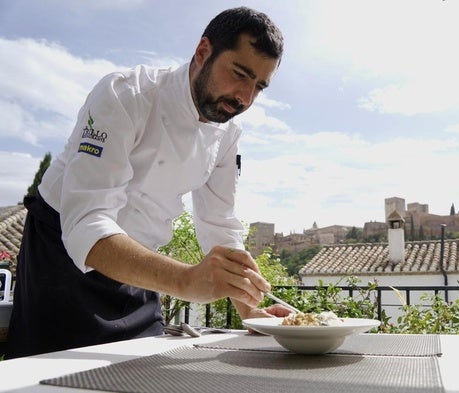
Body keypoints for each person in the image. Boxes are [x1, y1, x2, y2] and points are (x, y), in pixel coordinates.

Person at [6, 6, 289, 359]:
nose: (245, 98)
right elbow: (85, 224)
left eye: (258, 86)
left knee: (142, 369)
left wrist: (252, 312)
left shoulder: (229, 133)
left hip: (141, 265)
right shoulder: (125, 94)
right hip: (62, 253)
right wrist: (186, 281)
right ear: (203, 52)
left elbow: (219, 224)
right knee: (48, 374)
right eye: (239, 74)